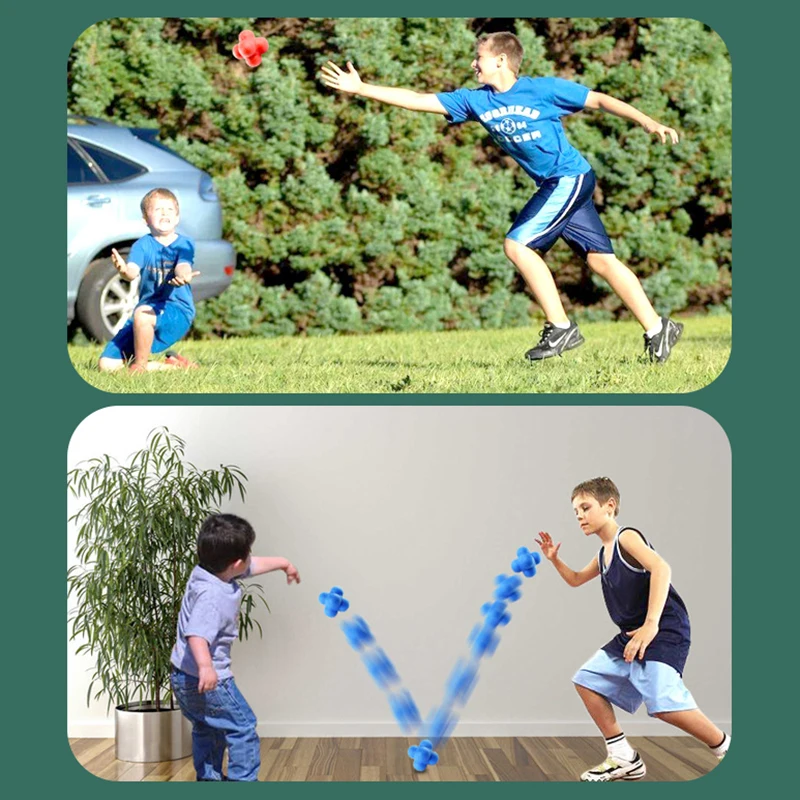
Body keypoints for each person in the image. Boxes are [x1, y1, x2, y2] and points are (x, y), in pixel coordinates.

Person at [321, 31, 684, 363]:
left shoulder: (543, 90)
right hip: (555, 184)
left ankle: (561, 328)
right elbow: (417, 99)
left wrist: (648, 121)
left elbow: (600, 100)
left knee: (517, 246)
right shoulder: (474, 101)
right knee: (602, 262)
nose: (473, 64)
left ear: (501, 61)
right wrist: (362, 88)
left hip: (569, 178)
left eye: (478, 57)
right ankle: (658, 330)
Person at [534, 477, 729, 781]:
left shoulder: (626, 538)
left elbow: (662, 568)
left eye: (585, 507)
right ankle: (623, 757)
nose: (580, 516)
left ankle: (725, 747)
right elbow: (574, 579)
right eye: (575, 512)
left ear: (609, 506)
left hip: (664, 628)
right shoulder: (602, 553)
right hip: (631, 633)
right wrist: (555, 559)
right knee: (586, 681)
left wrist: (651, 625)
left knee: (664, 706)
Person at [170, 514, 301, 782]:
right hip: (209, 679)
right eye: (249, 554)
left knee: (209, 728)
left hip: (182, 676)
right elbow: (196, 634)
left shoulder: (206, 572)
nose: (252, 559)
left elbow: (253, 566)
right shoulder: (213, 595)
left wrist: (284, 564)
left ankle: (209, 781)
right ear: (236, 563)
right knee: (243, 727)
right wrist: (207, 668)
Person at [98, 188, 200, 372]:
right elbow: (132, 272)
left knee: (143, 314)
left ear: (177, 218)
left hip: (177, 310)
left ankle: (140, 367)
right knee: (106, 365)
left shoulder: (185, 243)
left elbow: (183, 265)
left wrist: (183, 276)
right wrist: (123, 271)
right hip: (145, 314)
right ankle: (174, 366)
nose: (164, 213)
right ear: (146, 220)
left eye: (169, 209)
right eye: (158, 209)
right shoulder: (141, 246)